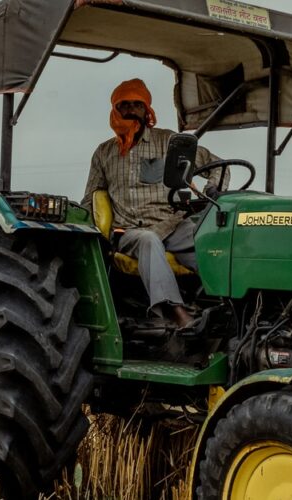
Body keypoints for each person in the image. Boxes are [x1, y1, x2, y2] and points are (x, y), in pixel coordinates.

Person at [83, 79, 226, 330]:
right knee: (148, 240)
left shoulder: (169, 143)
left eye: (136, 104)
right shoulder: (104, 152)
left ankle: (224, 304)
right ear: (115, 110)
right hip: (128, 231)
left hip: (170, 224)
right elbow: (91, 198)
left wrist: (213, 188)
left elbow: (218, 165)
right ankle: (177, 314)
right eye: (123, 105)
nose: (130, 110)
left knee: (210, 241)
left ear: (146, 109)